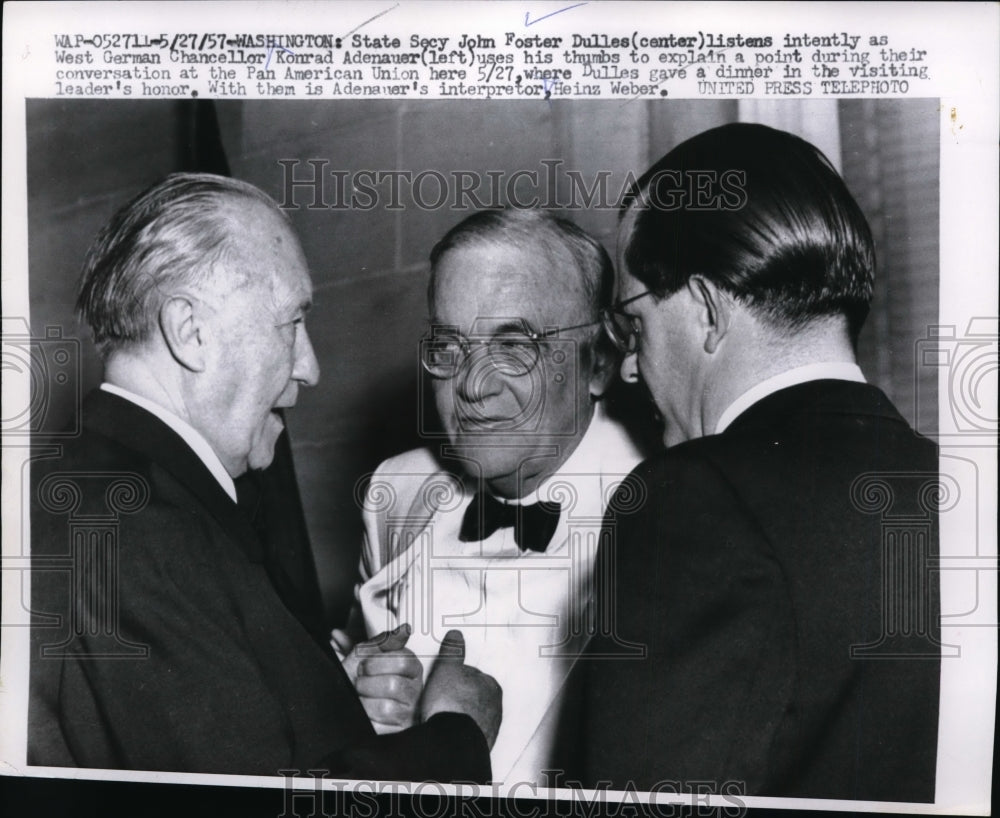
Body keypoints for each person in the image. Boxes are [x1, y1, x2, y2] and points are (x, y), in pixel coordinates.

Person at [29, 172, 500, 780]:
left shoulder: (122, 495)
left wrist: (320, 699)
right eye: (292, 322)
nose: (311, 367)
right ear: (190, 331)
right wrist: (459, 734)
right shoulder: (140, 525)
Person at [559, 123, 941, 801]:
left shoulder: (691, 499)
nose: (626, 370)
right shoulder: (961, 488)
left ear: (706, 309)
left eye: (634, 325)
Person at [335, 209, 645, 783]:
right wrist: (358, 701)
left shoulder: (665, 507)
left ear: (597, 362)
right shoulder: (398, 493)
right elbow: (357, 674)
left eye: (514, 346)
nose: (474, 387)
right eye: (450, 347)